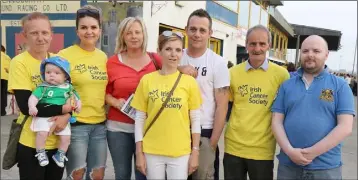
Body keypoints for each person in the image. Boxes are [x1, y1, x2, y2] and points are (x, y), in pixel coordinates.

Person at [271, 35, 355, 180]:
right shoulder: (287, 85)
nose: (310, 55)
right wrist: (290, 152)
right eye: (305, 51)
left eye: (316, 51)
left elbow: (345, 127)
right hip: (288, 166)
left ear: (326, 55)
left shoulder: (340, 85)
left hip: (326, 168)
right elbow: (276, 122)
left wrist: (312, 152)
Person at [8, 12, 72, 180]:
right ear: (25, 35)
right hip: (32, 143)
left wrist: (67, 115)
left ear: (51, 34)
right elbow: (26, 106)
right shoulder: (19, 62)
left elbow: (70, 94)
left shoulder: (58, 61)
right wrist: (63, 110)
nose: (40, 37)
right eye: (34, 33)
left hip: (58, 143)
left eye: (44, 32)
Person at [132, 30, 202, 180]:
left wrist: (195, 151)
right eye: (168, 49)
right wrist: (139, 153)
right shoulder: (147, 80)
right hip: (152, 150)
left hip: (180, 151)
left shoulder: (189, 82)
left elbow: (196, 119)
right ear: (159, 52)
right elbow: (139, 119)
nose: (173, 54)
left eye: (177, 50)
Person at [224, 24, 290, 180]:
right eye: (252, 44)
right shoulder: (232, 73)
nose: (257, 48)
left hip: (263, 150)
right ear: (246, 45)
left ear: (269, 45)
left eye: (262, 44)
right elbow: (225, 107)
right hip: (233, 147)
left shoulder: (281, 75)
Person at [105, 16, 161, 180]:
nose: (134, 36)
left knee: (143, 174)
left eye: (138, 32)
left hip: (147, 128)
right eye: (129, 33)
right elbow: (103, 93)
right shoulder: (112, 62)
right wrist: (115, 102)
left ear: (144, 35)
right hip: (118, 129)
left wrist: (184, 68)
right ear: (122, 36)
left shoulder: (155, 60)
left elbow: (171, 77)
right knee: (122, 175)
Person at [58, 5, 108, 180]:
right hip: (76, 125)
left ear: (100, 30)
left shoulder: (103, 57)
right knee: (77, 175)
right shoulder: (64, 55)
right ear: (77, 31)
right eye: (84, 27)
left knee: (97, 175)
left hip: (100, 127)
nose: (89, 32)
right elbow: (55, 89)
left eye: (93, 27)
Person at [179, 9, 230, 180]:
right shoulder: (176, 56)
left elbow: (222, 106)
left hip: (205, 131)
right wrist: (179, 69)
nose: (197, 34)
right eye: (193, 29)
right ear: (186, 29)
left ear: (210, 33)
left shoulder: (218, 63)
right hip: (177, 129)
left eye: (202, 30)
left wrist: (213, 143)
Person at [28, 56, 81, 167]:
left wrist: (78, 106)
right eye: (48, 72)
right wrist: (32, 107)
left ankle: (60, 154)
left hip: (62, 117)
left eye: (57, 73)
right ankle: (40, 152)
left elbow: (76, 98)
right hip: (44, 116)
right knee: (42, 133)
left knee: (66, 137)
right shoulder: (43, 87)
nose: (51, 75)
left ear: (65, 76)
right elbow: (33, 98)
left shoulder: (68, 87)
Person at [1, 47, 11, 116]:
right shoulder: (7, 57)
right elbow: (10, 69)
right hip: (4, 78)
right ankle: (2, 111)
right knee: (3, 95)